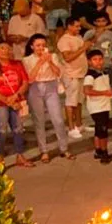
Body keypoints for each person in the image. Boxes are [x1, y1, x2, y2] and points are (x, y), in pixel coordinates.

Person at [24, 33, 73, 162]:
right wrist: (40, 62)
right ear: (32, 46)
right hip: (35, 87)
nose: (41, 48)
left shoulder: (53, 56)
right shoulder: (27, 60)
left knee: (58, 119)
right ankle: (44, 151)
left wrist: (49, 61)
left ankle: (64, 148)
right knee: (39, 120)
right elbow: (30, 78)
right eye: (38, 45)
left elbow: (58, 73)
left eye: (43, 45)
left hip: (51, 86)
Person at [0, 41, 34, 168]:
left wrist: (15, 97)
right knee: (1, 131)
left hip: (15, 100)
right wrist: (8, 101)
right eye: (2, 48)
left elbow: (25, 82)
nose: (6, 51)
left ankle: (20, 156)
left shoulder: (17, 64)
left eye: (8, 48)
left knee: (18, 129)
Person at [56, 16, 89, 139]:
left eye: (80, 26)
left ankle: (79, 124)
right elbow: (68, 57)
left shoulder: (78, 37)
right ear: (69, 26)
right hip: (71, 75)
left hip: (81, 73)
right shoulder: (64, 40)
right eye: (76, 26)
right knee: (71, 101)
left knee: (79, 100)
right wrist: (83, 48)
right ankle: (71, 128)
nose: (79, 28)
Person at [83, 49, 112, 162]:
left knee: (99, 128)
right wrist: (105, 93)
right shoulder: (90, 76)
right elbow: (87, 90)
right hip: (97, 107)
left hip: (104, 105)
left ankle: (98, 150)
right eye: (95, 60)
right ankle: (104, 153)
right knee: (103, 130)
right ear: (89, 62)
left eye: (100, 59)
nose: (98, 62)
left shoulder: (103, 73)